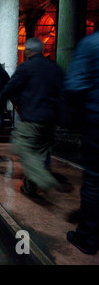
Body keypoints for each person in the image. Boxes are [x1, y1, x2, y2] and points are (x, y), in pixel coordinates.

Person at [0, 37, 65, 198]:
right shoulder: (55, 68)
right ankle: (29, 187)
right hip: (50, 120)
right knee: (40, 154)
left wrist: (5, 103)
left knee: (21, 147)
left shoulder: (27, 67)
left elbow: (9, 88)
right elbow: (64, 92)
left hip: (32, 118)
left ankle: (45, 179)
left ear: (28, 50)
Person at [64, 31, 99, 255]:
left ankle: (87, 236)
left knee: (95, 179)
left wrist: (73, 120)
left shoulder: (91, 43)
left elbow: (75, 86)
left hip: (97, 121)